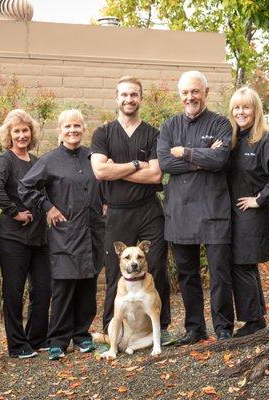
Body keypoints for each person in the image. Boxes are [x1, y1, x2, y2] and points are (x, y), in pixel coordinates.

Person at [89, 76, 173, 345]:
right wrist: (137, 164)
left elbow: (155, 175)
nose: (129, 99)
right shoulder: (103, 133)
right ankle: (111, 331)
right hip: (117, 211)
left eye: (134, 95)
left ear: (140, 99)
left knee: (157, 266)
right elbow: (100, 170)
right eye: (124, 95)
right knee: (115, 270)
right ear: (116, 98)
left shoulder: (153, 133)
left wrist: (119, 170)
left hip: (149, 210)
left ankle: (162, 328)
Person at [19, 109, 104, 361]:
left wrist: (105, 201)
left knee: (88, 285)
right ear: (60, 131)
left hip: (93, 231)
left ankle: (82, 335)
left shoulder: (93, 156)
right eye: (67, 126)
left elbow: (106, 180)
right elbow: (25, 187)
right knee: (64, 286)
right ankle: (58, 339)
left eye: (77, 126)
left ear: (83, 129)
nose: (72, 130)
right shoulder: (50, 160)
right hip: (65, 233)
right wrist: (48, 207)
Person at [157, 70, 235, 344]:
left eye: (195, 91)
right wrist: (204, 159)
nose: (190, 97)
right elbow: (166, 163)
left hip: (214, 209)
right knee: (187, 274)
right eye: (185, 93)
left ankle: (224, 326)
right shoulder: (169, 127)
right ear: (180, 96)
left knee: (219, 273)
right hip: (180, 210)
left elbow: (221, 159)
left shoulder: (221, 124)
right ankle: (195, 328)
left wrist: (186, 153)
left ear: (206, 92)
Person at [226, 87, 269, 337]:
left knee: (242, 264)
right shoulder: (232, 140)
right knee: (244, 266)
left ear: (255, 110)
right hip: (231, 213)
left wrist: (259, 199)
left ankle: (253, 321)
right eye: (237, 107)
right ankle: (257, 317)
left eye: (246, 107)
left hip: (251, 215)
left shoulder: (265, 139)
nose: (241, 112)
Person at [0, 109, 50, 359]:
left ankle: (36, 338)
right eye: (17, 131)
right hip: (13, 237)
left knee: (43, 289)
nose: (22, 135)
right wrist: (14, 212)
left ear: (31, 133)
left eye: (25, 130)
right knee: (13, 292)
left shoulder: (36, 161)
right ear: (9, 135)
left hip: (38, 236)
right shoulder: (5, 160)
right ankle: (17, 345)